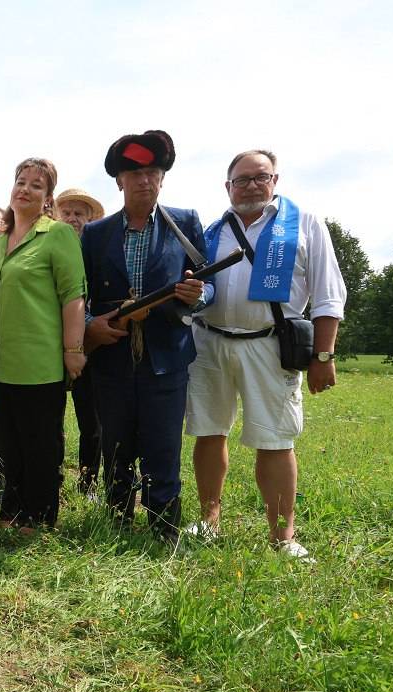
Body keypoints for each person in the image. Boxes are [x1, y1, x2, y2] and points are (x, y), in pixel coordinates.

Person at [187, 150, 346, 560]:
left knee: (275, 439)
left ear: (275, 180)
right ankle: (209, 520)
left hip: (270, 345)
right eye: (241, 180)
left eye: (260, 177)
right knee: (208, 431)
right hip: (209, 341)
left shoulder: (305, 224)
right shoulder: (211, 230)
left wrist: (324, 357)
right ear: (228, 187)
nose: (251, 186)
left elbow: (329, 297)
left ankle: (282, 536)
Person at [81, 130, 209, 542]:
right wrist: (89, 327)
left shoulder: (185, 222)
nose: (144, 180)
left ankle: (164, 531)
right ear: (119, 180)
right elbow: (77, 293)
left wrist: (196, 295)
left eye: (152, 172)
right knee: (115, 447)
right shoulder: (95, 234)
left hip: (166, 356)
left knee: (163, 449)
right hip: (111, 358)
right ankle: (116, 524)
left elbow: (208, 284)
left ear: (162, 177)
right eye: (133, 172)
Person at [0, 159, 85, 529]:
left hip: (39, 360)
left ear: (47, 198)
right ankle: (12, 511)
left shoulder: (57, 235)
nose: (25, 189)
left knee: (40, 443)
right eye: (20, 182)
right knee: (11, 443)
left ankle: (39, 517)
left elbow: (73, 296)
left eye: (35, 186)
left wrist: (73, 351)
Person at [55, 187, 106, 497]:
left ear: (90, 219)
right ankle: (54, 476)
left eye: (79, 213)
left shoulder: (98, 251)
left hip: (92, 344)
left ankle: (88, 482)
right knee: (51, 416)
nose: (73, 218)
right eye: (68, 213)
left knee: (92, 420)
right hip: (53, 344)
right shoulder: (51, 247)